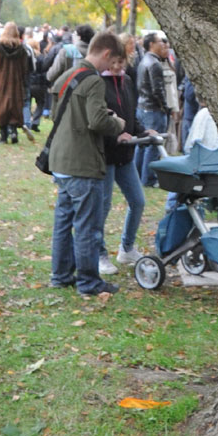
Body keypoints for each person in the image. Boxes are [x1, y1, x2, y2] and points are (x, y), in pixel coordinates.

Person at [49, 31, 127, 297]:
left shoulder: (68, 74)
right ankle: (89, 282)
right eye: (112, 61)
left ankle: (60, 275)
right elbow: (97, 121)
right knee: (87, 225)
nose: (111, 68)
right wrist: (117, 123)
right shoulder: (93, 80)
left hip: (60, 159)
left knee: (64, 220)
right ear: (106, 54)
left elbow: (57, 112)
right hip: (82, 162)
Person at [98, 37, 151, 274]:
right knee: (104, 205)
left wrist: (141, 130)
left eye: (122, 62)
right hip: (106, 154)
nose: (118, 67)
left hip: (125, 155)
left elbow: (130, 114)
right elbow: (99, 120)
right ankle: (99, 254)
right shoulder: (98, 82)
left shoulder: (127, 81)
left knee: (138, 201)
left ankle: (126, 248)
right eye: (115, 62)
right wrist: (115, 136)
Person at [135, 32, 173, 186]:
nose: (163, 44)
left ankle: (138, 174)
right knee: (154, 144)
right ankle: (149, 179)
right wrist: (165, 107)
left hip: (143, 107)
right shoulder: (154, 63)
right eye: (159, 42)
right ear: (151, 44)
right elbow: (157, 90)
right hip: (153, 109)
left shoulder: (145, 60)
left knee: (142, 144)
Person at [0, 22, 31, 144]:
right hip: (16, 82)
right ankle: (13, 131)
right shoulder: (21, 49)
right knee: (14, 106)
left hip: (2, 81)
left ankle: (3, 136)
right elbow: (25, 68)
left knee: (1, 106)